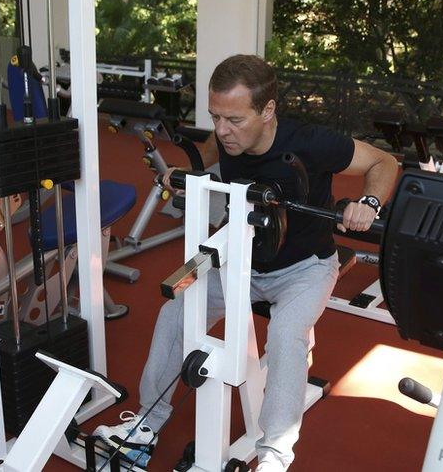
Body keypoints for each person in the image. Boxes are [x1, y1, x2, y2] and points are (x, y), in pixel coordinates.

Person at [93, 54, 400, 471]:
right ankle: (146, 426)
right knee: (175, 313)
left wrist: (368, 203)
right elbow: (208, 153)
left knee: (288, 336)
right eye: (215, 116)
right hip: (241, 261)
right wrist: (190, 171)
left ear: (268, 110)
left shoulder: (310, 141)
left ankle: (274, 455)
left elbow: (386, 162)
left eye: (234, 119)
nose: (222, 130)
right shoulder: (224, 134)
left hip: (305, 267)